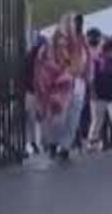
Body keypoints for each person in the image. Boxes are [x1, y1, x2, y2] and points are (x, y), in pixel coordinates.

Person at [32, 15, 88, 165]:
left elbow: (87, 62)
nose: (77, 26)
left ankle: (65, 147)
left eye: (79, 23)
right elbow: (44, 66)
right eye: (74, 22)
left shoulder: (82, 42)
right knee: (58, 118)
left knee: (73, 118)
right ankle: (52, 143)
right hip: (60, 86)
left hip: (78, 84)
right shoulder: (52, 45)